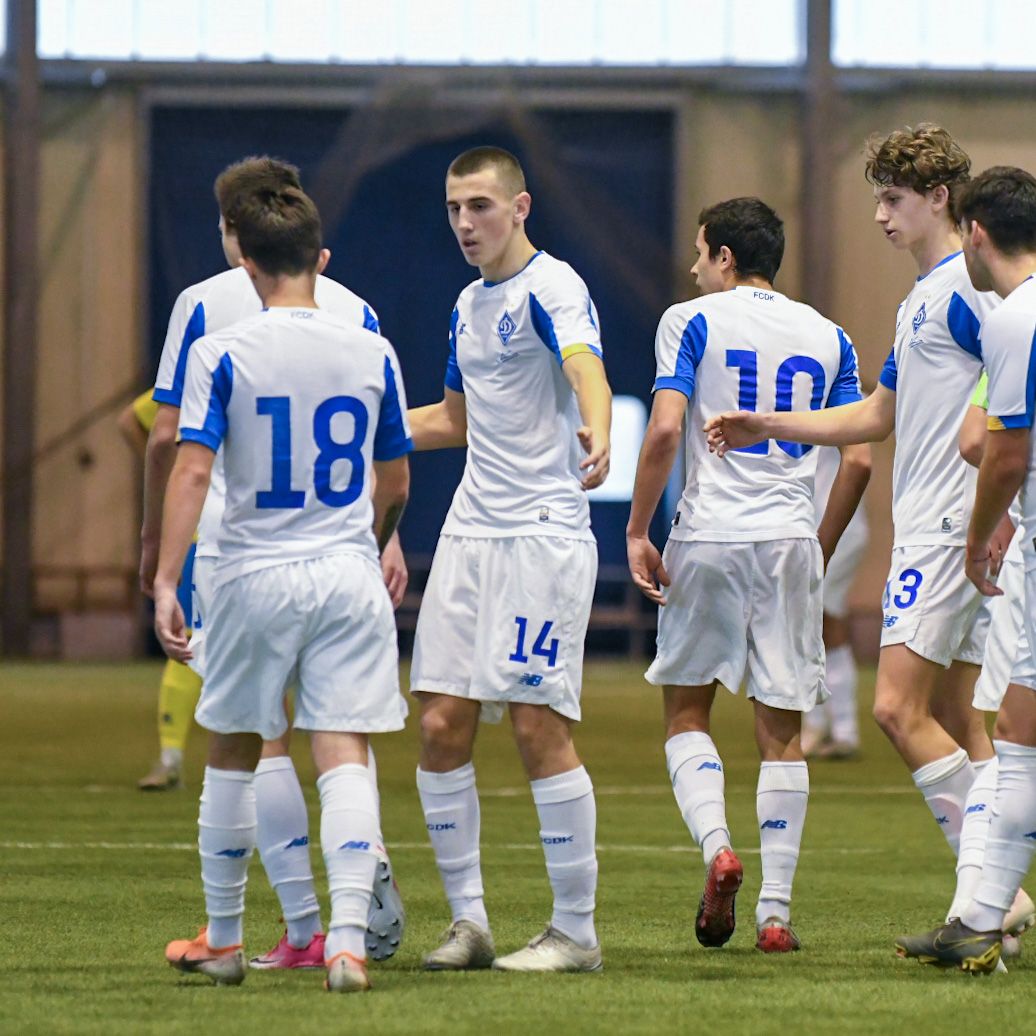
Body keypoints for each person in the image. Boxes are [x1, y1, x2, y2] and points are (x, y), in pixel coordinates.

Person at [705, 126, 1031, 929]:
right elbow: (877, 415)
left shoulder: (971, 290)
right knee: (956, 717)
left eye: (892, 200)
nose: (881, 216)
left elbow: (1007, 392)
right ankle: (997, 897)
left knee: (895, 709)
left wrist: (987, 510)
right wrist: (770, 423)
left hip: (953, 524)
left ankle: (992, 901)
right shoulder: (923, 295)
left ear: (941, 201)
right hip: (941, 521)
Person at [141, 156, 406, 968]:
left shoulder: (221, 346)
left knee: (235, 743)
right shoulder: (373, 345)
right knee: (345, 751)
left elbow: (186, 463)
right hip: (346, 569)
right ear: (319, 257)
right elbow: (394, 476)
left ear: (246, 260)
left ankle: (224, 940)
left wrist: (162, 573)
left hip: (251, 567)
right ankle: (349, 944)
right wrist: (376, 533)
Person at [627, 196, 868, 954]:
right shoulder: (830, 336)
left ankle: (716, 849)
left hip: (711, 536)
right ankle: (775, 914)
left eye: (702, 254)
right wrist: (820, 544)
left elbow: (666, 427)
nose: (695, 269)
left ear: (725, 257)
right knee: (782, 735)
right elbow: (858, 456)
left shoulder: (691, 320)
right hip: (790, 540)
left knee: (687, 715)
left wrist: (637, 528)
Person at [406, 146, 612, 973]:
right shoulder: (466, 302)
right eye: (455, 207)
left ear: (520, 207)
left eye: (481, 206)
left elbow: (584, 365)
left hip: (541, 535)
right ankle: (470, 924)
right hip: (469, 534)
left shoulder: (552, 287)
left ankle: (576, 933)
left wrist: (598, 422)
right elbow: (454, 421)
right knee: (439, 724)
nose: (465, 222)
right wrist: (350, 423)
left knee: (536, 726)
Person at [895, 166, 1036, 973]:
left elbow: (998, 448)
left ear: (974, 234)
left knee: (1016, 740)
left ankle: (982, 916)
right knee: (1015, 732)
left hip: (1020, 544)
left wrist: (983, 534)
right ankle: (980, 918)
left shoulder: (1015, 318)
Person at [119, 391, 204, 790]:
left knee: (188, 646)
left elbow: (138, 424)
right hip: (216, 532)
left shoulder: (199, 365)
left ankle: (173, 759)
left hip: (209, 532)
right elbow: (136, 423)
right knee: (189, 645)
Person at [801, 446, 870, 759]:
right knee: (828, 620)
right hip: (831, 524)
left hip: (831, 525)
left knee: (807, 621)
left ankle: (818, 723)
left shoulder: (835, 398)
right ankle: (842, 728)